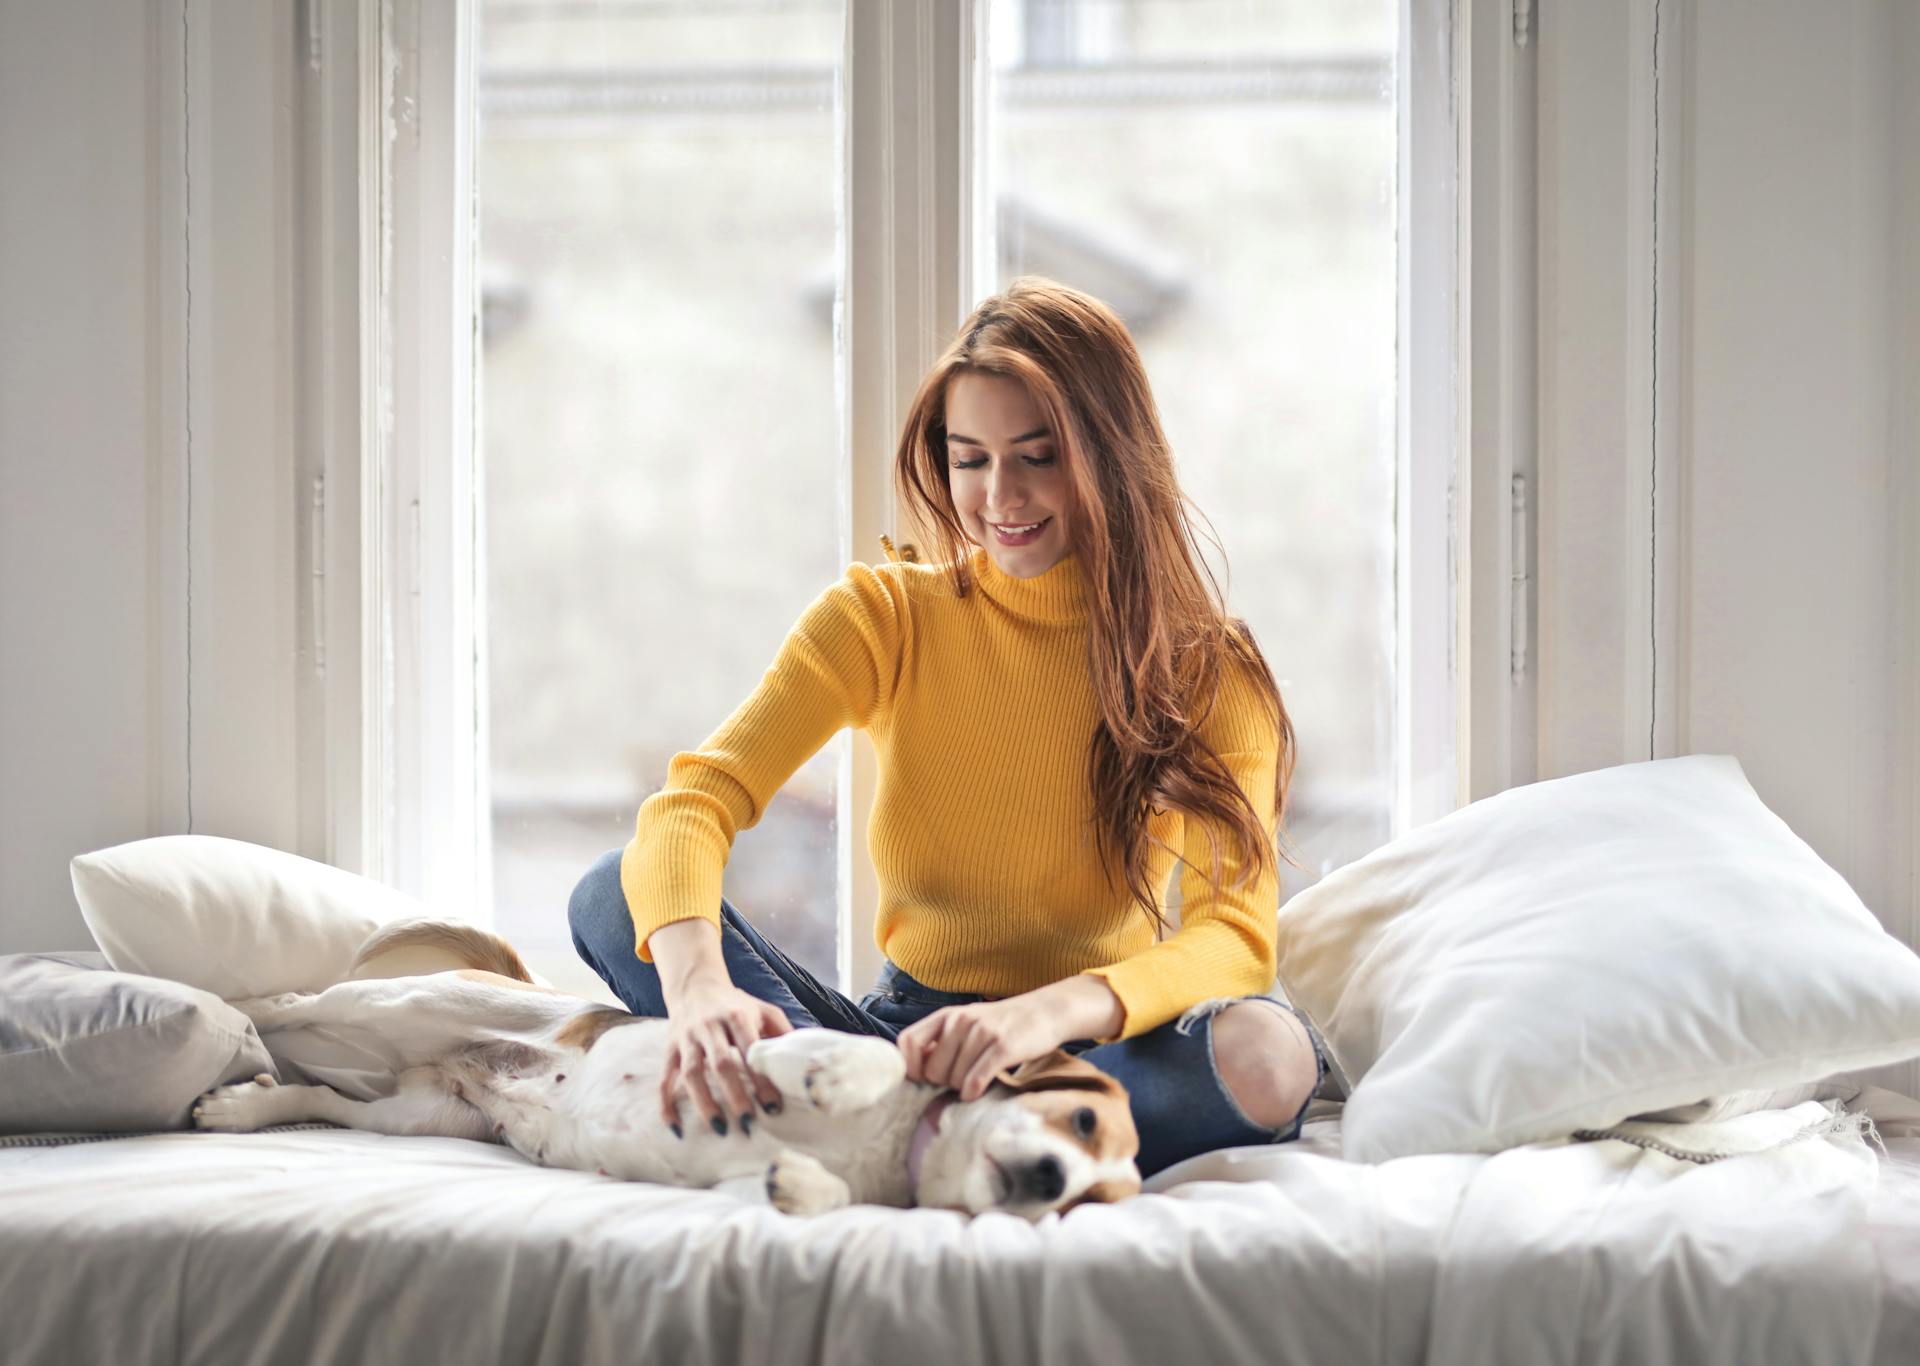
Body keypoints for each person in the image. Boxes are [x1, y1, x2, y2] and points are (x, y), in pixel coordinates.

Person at [568, 276, 1331, 1180]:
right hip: (894, 1044)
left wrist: (1036, 1019)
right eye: (970, 459)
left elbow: (1233, 940)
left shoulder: (1210, 669)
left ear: (1110, 455)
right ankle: (929, 1136)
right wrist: (699, 991)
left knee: (1269, 1055)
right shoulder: (884, 617)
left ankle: (877, 1139)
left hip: (1081, 1056)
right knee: (617, 894)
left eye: (1037, 456)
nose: (999, 494)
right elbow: (695, 802)